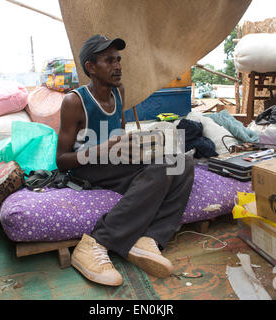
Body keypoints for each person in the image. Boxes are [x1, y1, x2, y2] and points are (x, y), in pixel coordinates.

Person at [56, 34, 195, 286]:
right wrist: (103, 148)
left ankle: (148, 239)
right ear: (91, 67)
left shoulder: (119, 91)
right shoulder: (74, 102)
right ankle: (95, 243)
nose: (117, 66)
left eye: (118, 60)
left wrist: (135, 146)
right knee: (163, 166)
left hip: (113, 163)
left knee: (182, 161)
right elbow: (61, 160)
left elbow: (119, 135)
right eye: (109, 60)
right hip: (85, 168)